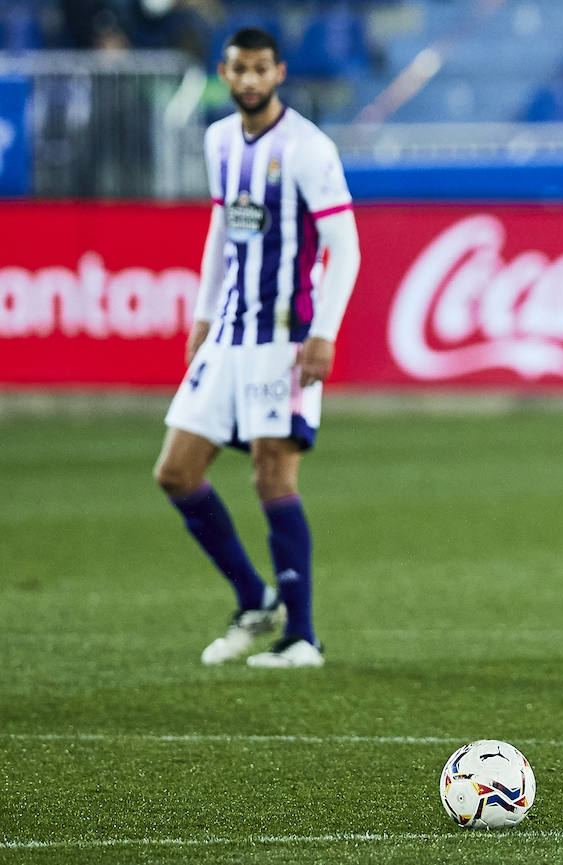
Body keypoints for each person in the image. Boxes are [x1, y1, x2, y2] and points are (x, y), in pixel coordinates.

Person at [153, 27, 360, 668]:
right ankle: (254, 599)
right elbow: (222, 228)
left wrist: (323, 331)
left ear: (279, 73)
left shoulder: (308, 149)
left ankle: (302, 636)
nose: (248, 80)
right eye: (238, 69)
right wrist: (202, 314)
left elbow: (344, 246)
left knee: (273, 472)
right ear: (224, 71)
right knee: (176, 471)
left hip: (286, 338)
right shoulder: (219, 140)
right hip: (231, 334)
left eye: (260, 69)